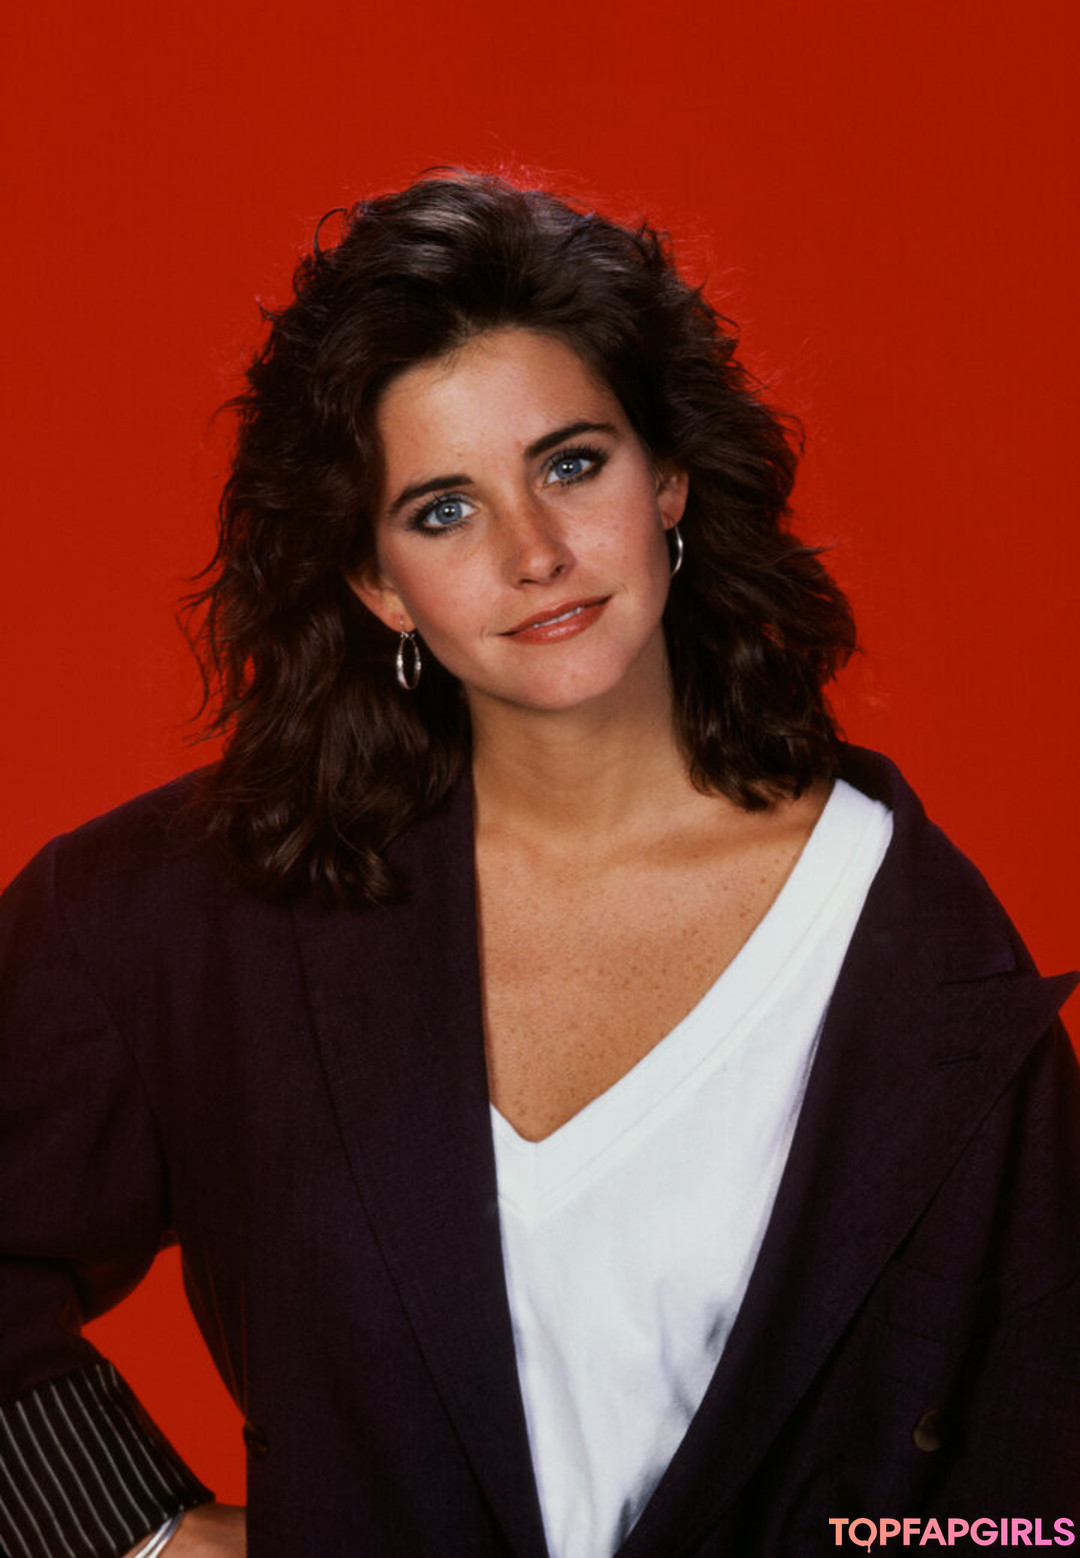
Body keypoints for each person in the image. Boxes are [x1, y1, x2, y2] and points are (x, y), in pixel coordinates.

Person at [0, 172, 1076, 1558]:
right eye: (442, 509)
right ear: (377, 583)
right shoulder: (208, 911)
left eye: (572, 463)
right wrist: (142, 1537)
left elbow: (1036, 1501)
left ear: (668, 476)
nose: (536, 553)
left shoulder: (915, 950)